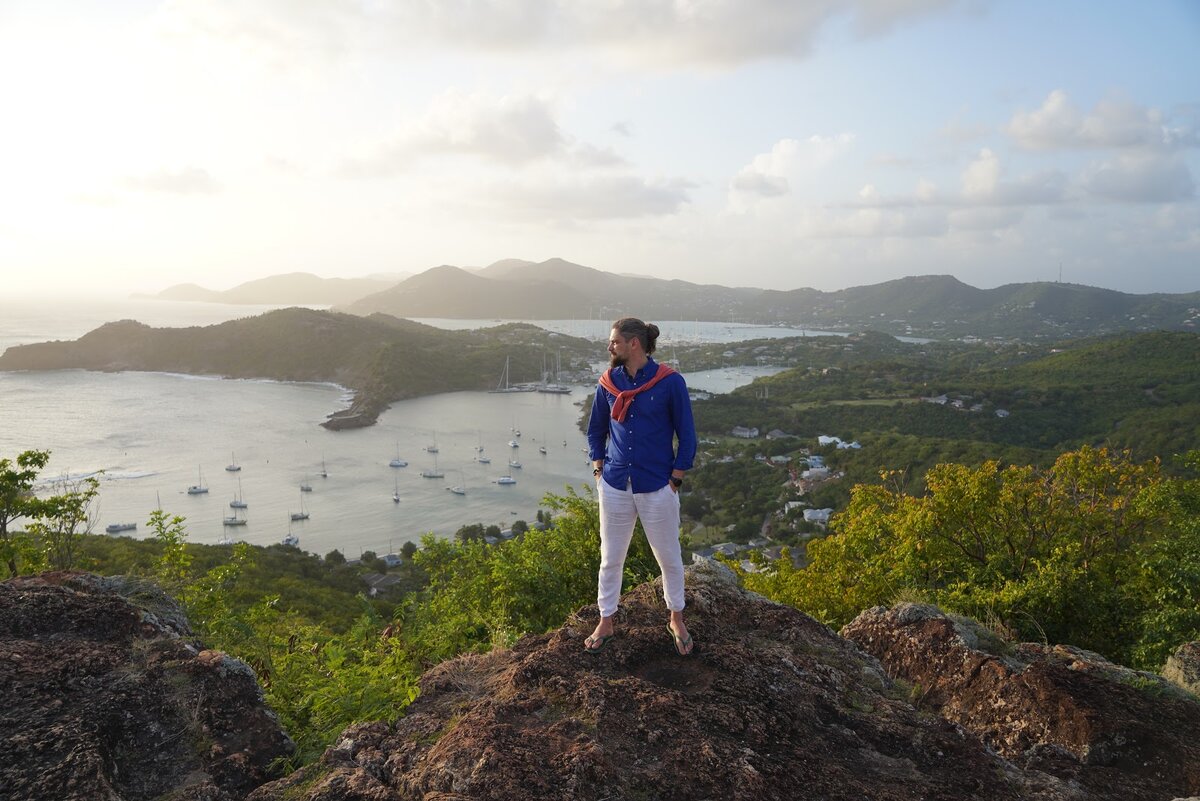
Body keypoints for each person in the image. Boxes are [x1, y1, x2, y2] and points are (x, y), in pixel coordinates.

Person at [585, 317, 697, 656]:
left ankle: (676, 617)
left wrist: (675, 478)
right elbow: (595, 430)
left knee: (669, 558)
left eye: (614, 342)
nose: (610, 347)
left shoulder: (669, 382)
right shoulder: (608, 383)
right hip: (616, 484)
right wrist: (597, 467)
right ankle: (606, 620)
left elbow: (687, 434)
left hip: (656, 486)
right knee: (610, 558)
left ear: (634, 343)